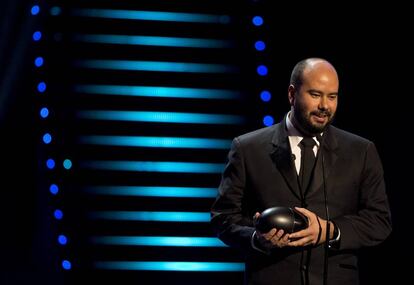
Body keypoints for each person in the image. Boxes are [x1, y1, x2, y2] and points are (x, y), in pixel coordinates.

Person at [210, 58, 392, 285]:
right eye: (315, 95)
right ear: (291, 94)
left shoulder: (361, 151)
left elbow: (379, 221)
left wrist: (331, 231)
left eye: (332, 96)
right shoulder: (248, 149)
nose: (325, 105)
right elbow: (223, 218)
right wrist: (257, 238)